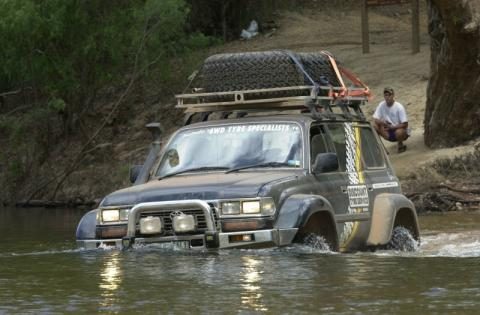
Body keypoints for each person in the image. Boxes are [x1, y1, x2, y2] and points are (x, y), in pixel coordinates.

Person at [373, 87, 409, 153]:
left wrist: (392, 127)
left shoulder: (399, 107)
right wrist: (383, 123)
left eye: (389, 95)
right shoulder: (381, 105)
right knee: (374, 126)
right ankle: (381, 148)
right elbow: (375, 119)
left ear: (393, 95)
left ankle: (400, 144)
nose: (387, 97)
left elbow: (405, 124)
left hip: (398, 131)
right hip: (387, 131)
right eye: (386, 95)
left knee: (399, 132)